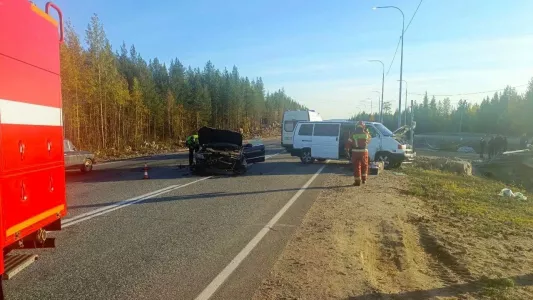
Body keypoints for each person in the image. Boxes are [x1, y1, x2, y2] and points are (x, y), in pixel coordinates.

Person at [345, 121, 371, 186]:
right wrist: (367, 132)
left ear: (356, 126)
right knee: (364, 165)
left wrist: (347, 150)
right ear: (363, 126)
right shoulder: (366, 134)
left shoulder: (353, 134)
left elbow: (348, 143)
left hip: (355, 152)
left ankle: (357, 182)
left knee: (357, 167)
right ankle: (364, 180)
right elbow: (369, 141)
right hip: (364, 152)